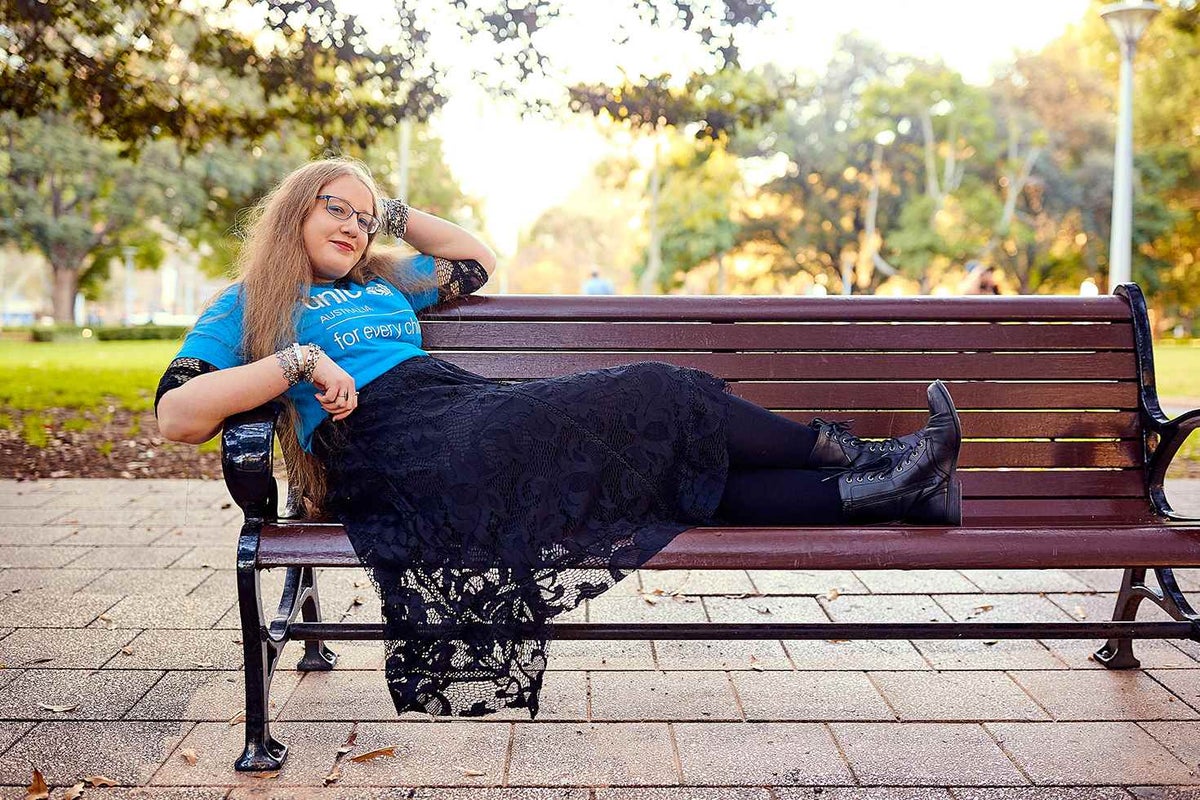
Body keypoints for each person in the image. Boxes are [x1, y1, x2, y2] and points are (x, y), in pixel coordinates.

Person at [155, 158, 962, 720]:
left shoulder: (381, 279)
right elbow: (178, 416)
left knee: (665, 475)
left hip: (464, 415)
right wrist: (294, 361)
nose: (355, 226)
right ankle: (861, 455)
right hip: (396, 448)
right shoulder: (247, 302)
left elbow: (475, 258)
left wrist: (385, 211)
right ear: (295, 208)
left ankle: (893, 487)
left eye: (364, 219)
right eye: (335, 207)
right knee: (657, 387)